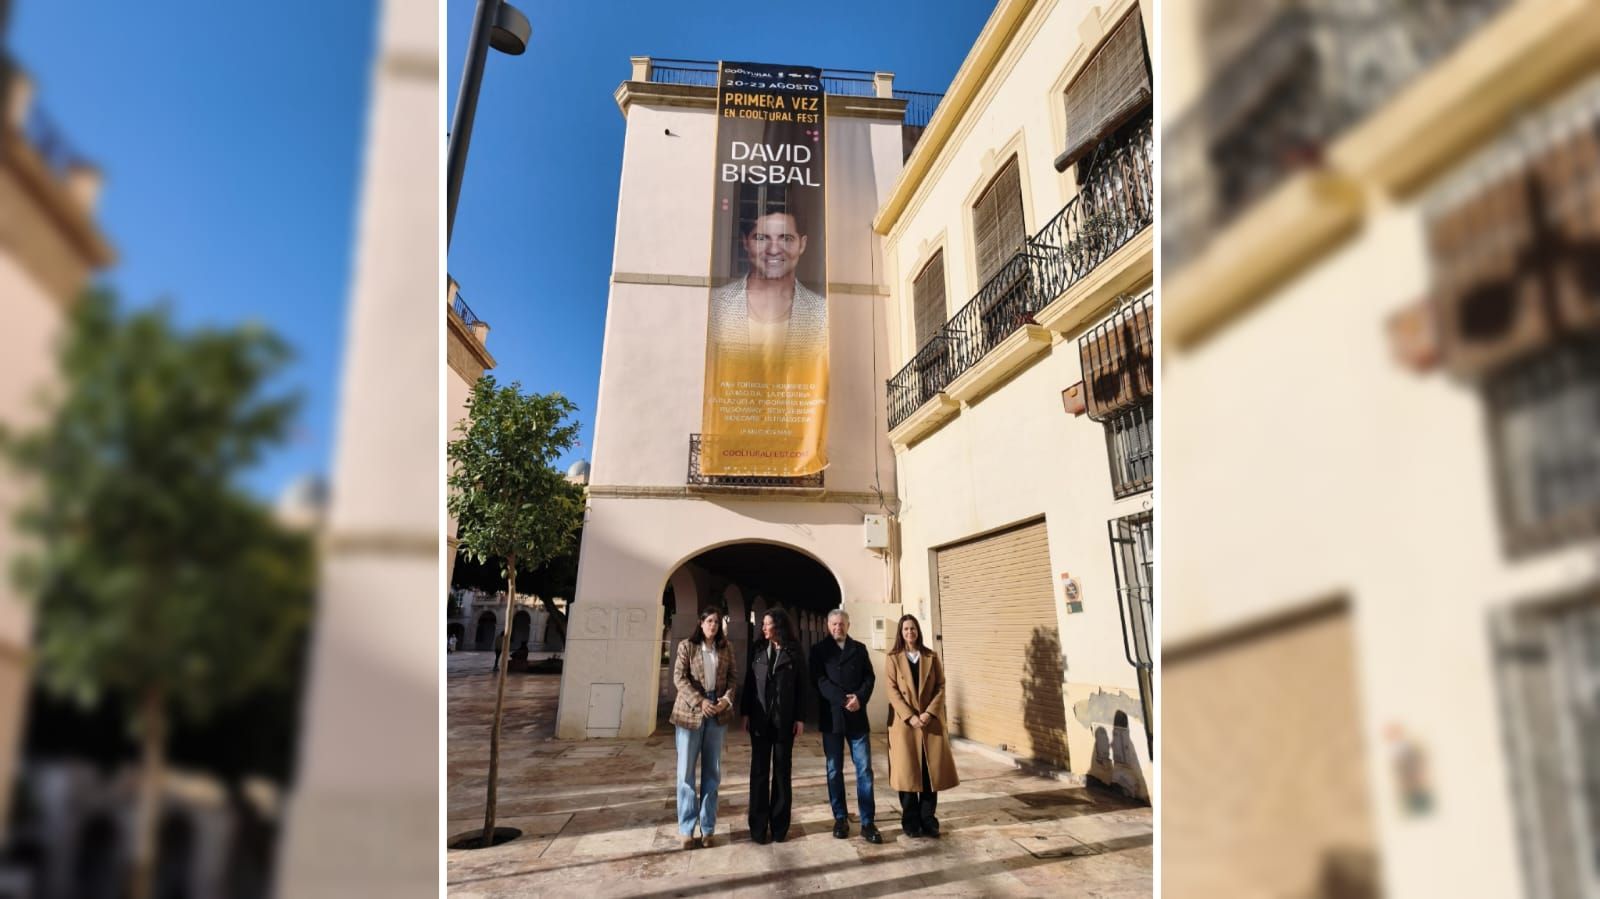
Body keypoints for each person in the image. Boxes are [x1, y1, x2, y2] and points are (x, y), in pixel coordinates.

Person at [709, 207, 826, 358]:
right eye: (761, 238)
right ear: (745, 242)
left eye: (786, 239)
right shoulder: (714, 305)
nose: (773, 250)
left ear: (802, 245)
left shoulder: (822, 313)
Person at [884, 614, 959, 838]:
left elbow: (941, 686)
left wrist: (929, 713)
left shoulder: (931, 656)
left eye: (913, 629)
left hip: (929, 723)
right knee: (907, 774)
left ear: (918, 631)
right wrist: (910, 716)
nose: (909, 633)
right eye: (906, 629)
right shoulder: (893, 658)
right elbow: (892, 690)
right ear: (900, 632)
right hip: (905, 725)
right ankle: (910, 821)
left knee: (929, 773)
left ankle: (929, 819)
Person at [810, 609, 881, 844]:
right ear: (827, 626)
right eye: (833, 624)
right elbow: (819, 681)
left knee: (864, 770)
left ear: (848, 625)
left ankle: (867, 821)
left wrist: (859, 698)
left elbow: (869, 678)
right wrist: (843, 699)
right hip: (833, 718)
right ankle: (840, 817)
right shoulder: (819, 651)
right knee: (833, 770)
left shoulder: (859, 649)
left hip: (857, 717)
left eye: (841, 624)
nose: (837, 628)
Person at [671, 608, 737, 850]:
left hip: (717, 713)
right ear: (700, 623)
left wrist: (725, 702)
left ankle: (708, 828)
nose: (713, 625)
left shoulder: (726, 647)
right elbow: (680, 678)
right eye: (709, 621)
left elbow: (733, 678)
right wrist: (700, 701)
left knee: (712, 772)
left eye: (716, 622)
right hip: (691, 711)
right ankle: (686, 829)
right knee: (685, 773)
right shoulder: (686, 646)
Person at [741, 608, 806, 844]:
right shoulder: (757, 649)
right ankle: (757, 827)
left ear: (777, 626)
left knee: (781, 772)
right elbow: (749, 683)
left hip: (784, 722)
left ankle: (779, 827)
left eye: (766, 624)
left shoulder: (794, 652)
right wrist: (745, 712)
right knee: (758, 772)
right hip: (759, 720)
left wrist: (800, 718)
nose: (763, 628)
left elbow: (802, 687)